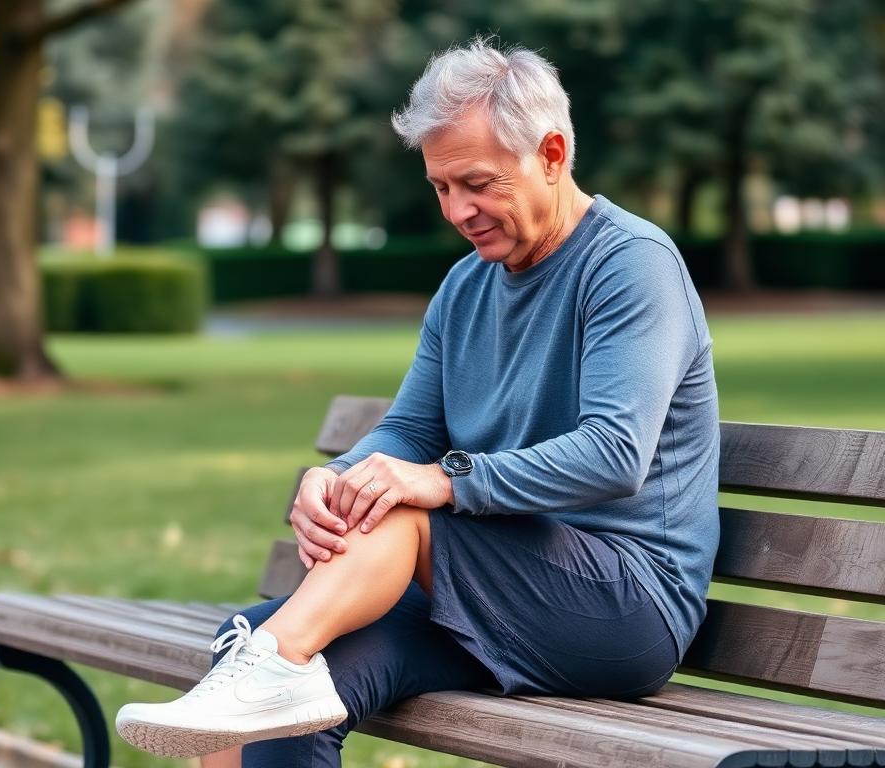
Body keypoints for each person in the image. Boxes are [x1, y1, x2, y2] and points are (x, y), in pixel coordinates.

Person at [115, 37, 720, 767]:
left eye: (479, 183)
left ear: (553, 154)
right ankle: (269, 664)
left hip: (621, 609)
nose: (459, 210)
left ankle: (271, 660)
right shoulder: (466, 287)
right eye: (441, 187)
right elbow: (409, 427)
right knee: (267, 692)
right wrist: (338, 476)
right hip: (485, 591)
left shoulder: (630, 265)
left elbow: (616, 454)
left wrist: (440, 480)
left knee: (385, 531)